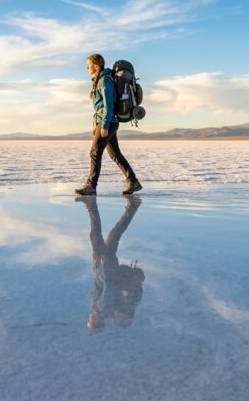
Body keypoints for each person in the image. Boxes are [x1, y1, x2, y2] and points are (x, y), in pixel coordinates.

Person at [75, 53, 142, 196]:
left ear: (96, 65)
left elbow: (108, 105)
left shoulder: (105, 80)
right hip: (107, 121)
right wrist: (96, 125)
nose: (87, 68)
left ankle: (91, 186)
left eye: (88, 65)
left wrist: (104, 125)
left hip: (108, 122)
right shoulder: (99, 80)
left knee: (95, 152)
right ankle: (133, 181)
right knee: (114, 154)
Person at [76, 195, 144, 333]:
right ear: (95, 322)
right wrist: (104, 266)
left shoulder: (99, 309)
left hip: (102, 266)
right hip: (106, 266)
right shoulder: (104, 309)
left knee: (112, 234)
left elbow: (101, 287)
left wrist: (94, 294)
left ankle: (132, 207)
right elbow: (109, 285)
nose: (88, 319)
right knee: (97, 234)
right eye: (89, 322)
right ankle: (91, 204)